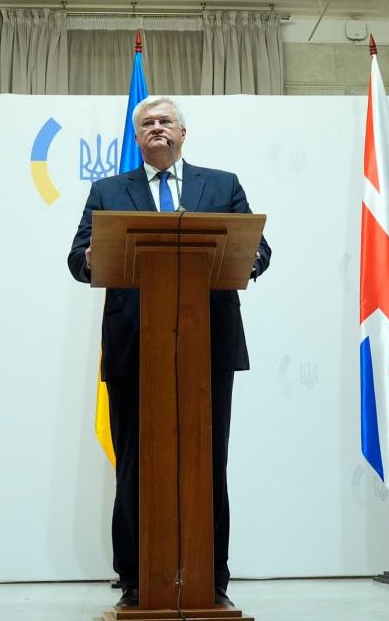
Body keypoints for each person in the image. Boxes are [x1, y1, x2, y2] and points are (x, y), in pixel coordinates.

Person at [67, 96, 270, 609]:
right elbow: (78, 257)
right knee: (136, 463)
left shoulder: (222, 184)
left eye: (164, 121)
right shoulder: (109, 191)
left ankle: (210, 578)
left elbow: (258, 249)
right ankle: (136, 580)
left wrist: (254, 259)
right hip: (135, 345)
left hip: (208, 345)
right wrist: (91, 257)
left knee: (208, 462)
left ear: (183, 132)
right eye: (146, 124)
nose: (156, 128)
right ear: (136, 139)